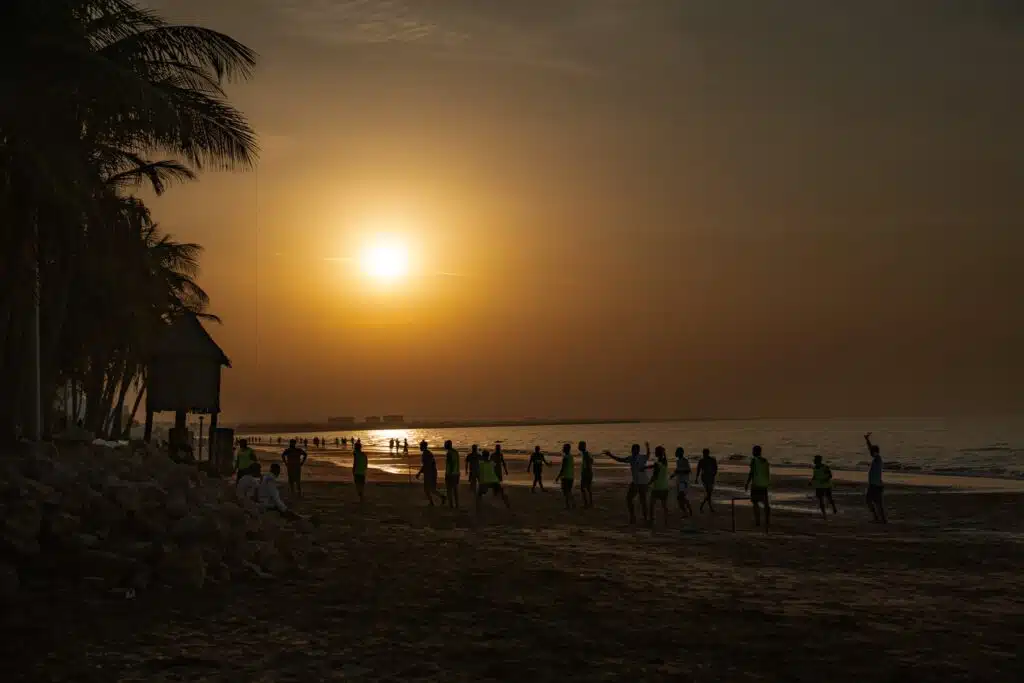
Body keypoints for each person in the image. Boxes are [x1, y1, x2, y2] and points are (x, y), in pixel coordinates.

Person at [603, 442, 651, 524]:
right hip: (643, 482)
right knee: (641, 500)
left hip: (638, 482)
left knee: (631, 499)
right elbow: (648, 455)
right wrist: (647, 447)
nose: (633, 451)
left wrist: (610, 455)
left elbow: (620, 459)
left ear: (634, 450)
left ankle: (635, 517)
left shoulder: (632, 458)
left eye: (633, 450)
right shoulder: (640, 457)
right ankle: (643, 518)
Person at [744, 445, 771, 530]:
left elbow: (751, 473)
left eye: (753, 451)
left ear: (755, 452)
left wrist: (747, 483)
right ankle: (767, 520)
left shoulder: (754, 460)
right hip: (764, 484)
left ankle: (758, 521)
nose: (752, 452)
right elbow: (767, 472)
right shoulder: (765, 461)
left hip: (756, 484)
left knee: (755, 503)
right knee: (766, 503)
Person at [864, 432, 887, 523]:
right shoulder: (876, 459)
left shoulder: (878, 459)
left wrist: (867, 441)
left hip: (876, 485)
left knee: (876, 503)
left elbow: (871, 450)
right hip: (874, 484)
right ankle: (878, 518)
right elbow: (871, 450)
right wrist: (867, 440)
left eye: (872, 452)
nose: (870, 453)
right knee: (872, 502)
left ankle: (880, 519)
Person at [415, 440, 447, 506]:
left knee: (427, 489)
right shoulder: (428, 453)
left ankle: (432, 502)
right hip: (431, 472)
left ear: (423, 446)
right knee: (431, 489)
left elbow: (426, 465)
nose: (419, 447)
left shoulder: (426, 454)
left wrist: (419, 473)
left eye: (420, 446)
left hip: (430, 473)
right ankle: (441, 497)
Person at [647, 446, 671, 527]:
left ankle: (651, 520)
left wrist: (648, 484)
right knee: (664, 506)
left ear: (657, 453)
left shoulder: (658, 463)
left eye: (656, 451)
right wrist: (645, 467)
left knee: (651, 505)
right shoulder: (665, 462)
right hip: (665, 487)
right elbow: (654, 466)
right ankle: (666, 521)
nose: (655, 453)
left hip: (657, 488)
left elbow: (655, 476)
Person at [811, 455, 837, 519]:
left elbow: (830, 475)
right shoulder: (815, 468)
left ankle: (834, 508)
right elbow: (814, 476)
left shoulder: (825, 467)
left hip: (826, 485)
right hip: (819, 486)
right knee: (820, 500)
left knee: (829, 498)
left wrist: (825, 479)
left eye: (815, 459)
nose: (814, 460)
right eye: (814, 459)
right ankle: (824, 514)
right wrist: (811, 481)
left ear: (818, 460)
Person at [671, 447, 693, 517]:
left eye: (677, 452)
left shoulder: (685, 460)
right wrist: (673, 475)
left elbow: (688, 471)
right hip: (679, 481)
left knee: (681, 497)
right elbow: (677, 470)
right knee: (680, 498)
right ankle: (688, 510)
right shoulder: (678, 461)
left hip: (683, 481)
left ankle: (687, 511)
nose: (676, 453)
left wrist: (679, 471)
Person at [695, 448, 718, 513]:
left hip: (709, 478)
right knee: (709, 493)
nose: (704, 454)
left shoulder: (711, 460)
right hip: (706, 478)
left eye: (705, 453)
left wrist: (713, 475)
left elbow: (715, 468)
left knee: (709, 493)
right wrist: (696, 478)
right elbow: (698, 470)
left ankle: (704, 506)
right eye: (704, 453)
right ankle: (706, 507)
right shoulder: (703, 460)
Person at [554, 443, 576, 509]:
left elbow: (563, 468)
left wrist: (558, 477)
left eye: (564, 448)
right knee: (569, 491)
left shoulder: (565, 458)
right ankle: (572, 503)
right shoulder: (571, 457)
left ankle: (568, 505)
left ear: (566, 449)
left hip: (565, 476)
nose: (562, 449)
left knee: (565, 491)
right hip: (571, 476)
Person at [444, 440, 461, 509]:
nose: (444, 446)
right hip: (457, 473)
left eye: (445, 444)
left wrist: (449, 474)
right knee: (455, 489)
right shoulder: (455, 452)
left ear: (448, 445)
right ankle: (457, 504)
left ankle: (451, 505)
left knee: (449, 490)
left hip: (451, 474)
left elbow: (451, 464)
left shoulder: (449, 453)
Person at [579, 441, 594, 508]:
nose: (578, 447)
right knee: (588, 488)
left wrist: (585, 472)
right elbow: (591, 461)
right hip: (589, 473)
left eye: (579, 445)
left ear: (583, 446)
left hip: (586, 473)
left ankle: (586, 503)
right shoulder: (587, 453)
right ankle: (590, 503)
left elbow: (588, 463)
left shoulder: (585, 454)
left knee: (583, 488)